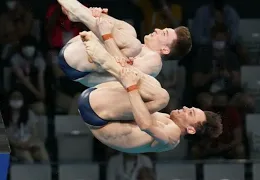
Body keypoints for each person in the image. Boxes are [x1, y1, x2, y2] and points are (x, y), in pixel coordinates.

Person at [77, 32, 222, 153]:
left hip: (96, 113)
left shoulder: (172, 137)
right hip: (98, 105)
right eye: (190, 108)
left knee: (162, 97)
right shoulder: (166, 118)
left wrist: (131, 87)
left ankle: (106, 55)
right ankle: (110, 44)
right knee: (154, 84)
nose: (185, 108)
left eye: (190, 113)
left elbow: (145, 125)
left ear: (191, 129)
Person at [56, 0, 191, 87]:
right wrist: (99, 15)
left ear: (165, 50)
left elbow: (121, 72)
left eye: (164, 33)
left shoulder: (154, 62)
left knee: (134, 45)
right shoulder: (141, 48)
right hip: (79, 49)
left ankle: (80, 13)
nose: (157, 30)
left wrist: (107, 35)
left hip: (79, 67)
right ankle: (85, 15)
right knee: (130, 31)